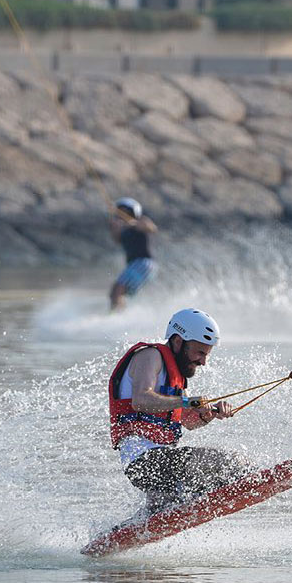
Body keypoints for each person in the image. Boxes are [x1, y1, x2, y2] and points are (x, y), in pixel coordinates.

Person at [108, 308, 250, 515]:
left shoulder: (177, 377)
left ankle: (132, 528)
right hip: (144, 461)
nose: (203, 361)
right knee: (234, 464)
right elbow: (141, 400)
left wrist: (209, 414)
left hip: (161, 464)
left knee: (163, 509)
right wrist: (187, 401)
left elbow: (187, 422)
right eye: (200, 352)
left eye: (206, 354)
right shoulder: (150, 356)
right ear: (177, 341)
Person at [109, 197, 157, 311]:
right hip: (134, 265)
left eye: (125, 212)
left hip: (144, 263)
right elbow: (116, 239)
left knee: (118, 289)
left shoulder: (141, 222)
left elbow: (152, 228)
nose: (121, 215)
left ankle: (116, 316)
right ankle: (118, 314)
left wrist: (130, 223)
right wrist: (114, 226)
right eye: (119, 212)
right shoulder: (123, 230)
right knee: (115, 293)